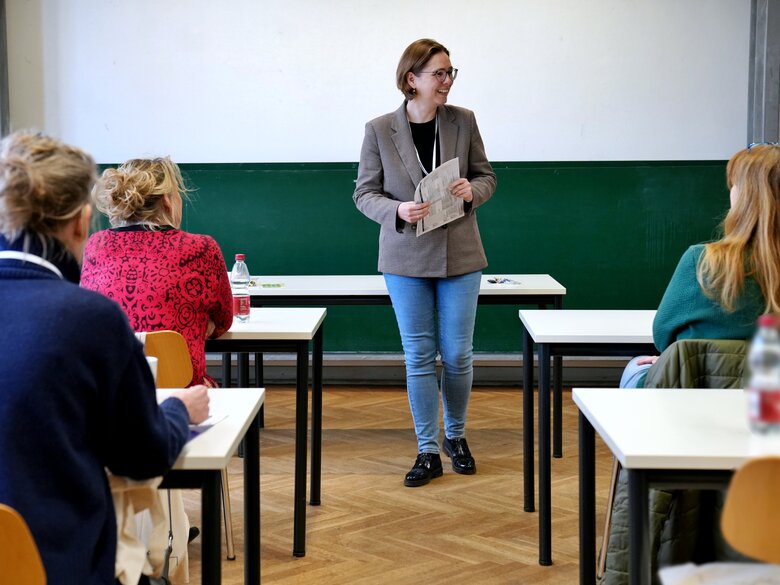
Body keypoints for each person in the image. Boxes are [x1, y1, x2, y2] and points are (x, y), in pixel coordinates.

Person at [0, 131, 210, 584]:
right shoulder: (90, 320)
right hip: (59, 562)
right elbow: (143, 456)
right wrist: (176, 409)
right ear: (81, 221)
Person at [353, 38, 497, 487]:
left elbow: (487, 176)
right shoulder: (379, 129)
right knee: (418, 355)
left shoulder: (464, 121)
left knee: (456, 354)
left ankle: (456, 436)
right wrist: (395, 211)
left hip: (461, 254)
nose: (447, 81)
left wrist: (474, 192)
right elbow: (363, 193)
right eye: (439, 73)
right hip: (405, 256)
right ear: (411, 79)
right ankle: (427, 450)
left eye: (451, 72)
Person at [620, 143, 780, 389]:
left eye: (734, 184)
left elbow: (663, 335)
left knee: (636, 367)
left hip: (696, 395)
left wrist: (671, 356)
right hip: (771, 406)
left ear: (744, 196)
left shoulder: (702, 260)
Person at [81, 157, 233, 387]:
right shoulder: (202, 248)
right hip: (179, 388)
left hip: (108, 390)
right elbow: (223, 321)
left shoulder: (95, 245)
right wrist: (199, 322)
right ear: (167, 201)